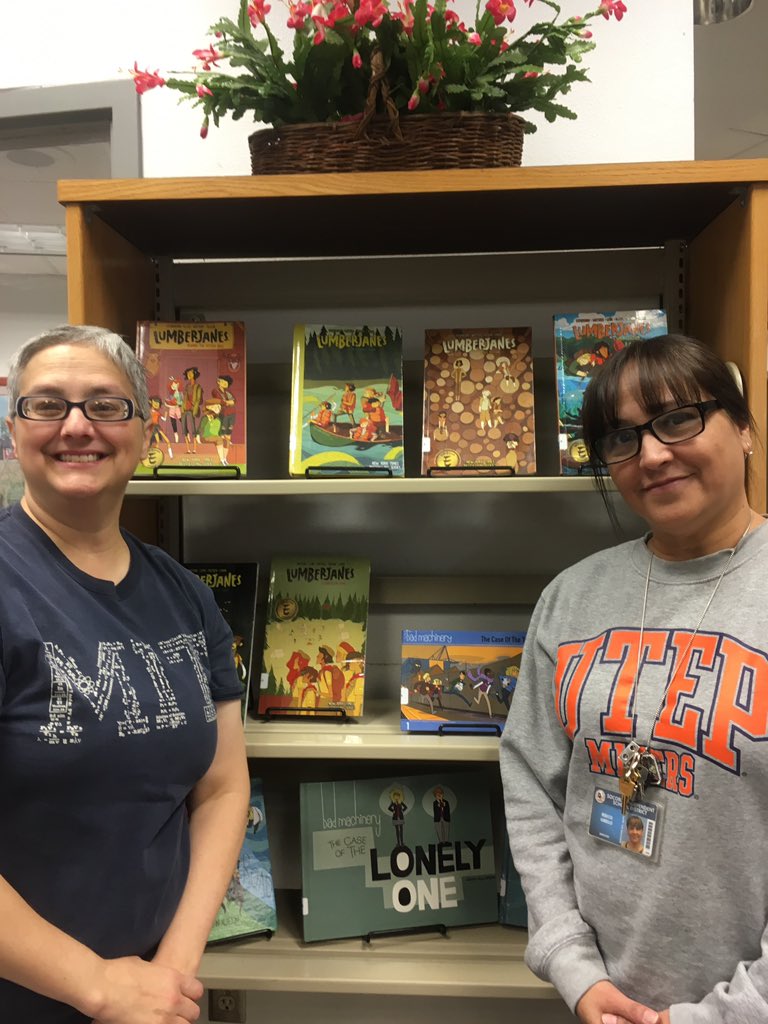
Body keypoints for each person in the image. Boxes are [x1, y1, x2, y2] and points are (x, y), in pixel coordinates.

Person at [500, 334, 768, 1024]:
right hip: (602, 1003)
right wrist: (571, 964)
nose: (651, 454)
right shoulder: (572, 596)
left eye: (678, 419)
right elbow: (532, 783)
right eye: (622, 438)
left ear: (742, 427)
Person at [0, 325, 250, 1023]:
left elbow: (224, 786)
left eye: (106, 406)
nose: (77, 427)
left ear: (147, 433)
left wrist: (170, 969)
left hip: (153, 995)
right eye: (47, 405)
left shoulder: (185, 594)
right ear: (12, 431)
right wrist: (96, 985)